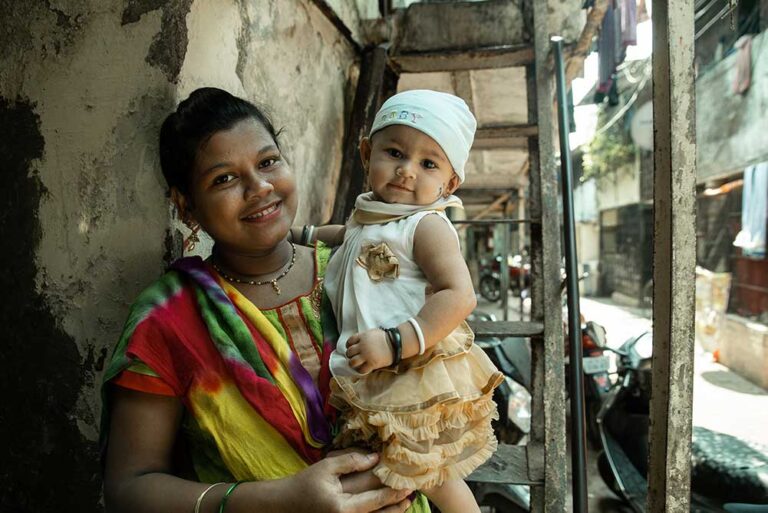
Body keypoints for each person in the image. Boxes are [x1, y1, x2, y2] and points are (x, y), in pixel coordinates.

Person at [100, 87, 427, 513]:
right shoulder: (168, 319)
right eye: (224, 179)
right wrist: (283, 500)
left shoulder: (362, 265)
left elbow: (437, 387)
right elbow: (129, 487)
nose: (259, 188)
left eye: (268, 162)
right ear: (186, 207)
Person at [323, 90, 503, 513]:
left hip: (408, 367)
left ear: (450, 182)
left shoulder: (427, 226)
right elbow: (342, 237)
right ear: (367, 154)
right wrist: (296, 235)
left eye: (428, 164)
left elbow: (460, 294)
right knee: (383, 466)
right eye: (395, 152)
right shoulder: (370, 215)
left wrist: (396, 342)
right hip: (370, 372)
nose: (406, 171)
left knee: (433, 474)